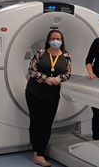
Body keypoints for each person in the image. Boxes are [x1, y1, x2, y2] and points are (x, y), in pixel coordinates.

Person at [25, 29, 71, 167]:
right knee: (35, 121)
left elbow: (68, 73)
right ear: (49, 40)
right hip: (34, 91)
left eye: (58, 39)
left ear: (62, 41)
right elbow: (31, 70)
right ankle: (36, 151)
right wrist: (45, 79)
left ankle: (40, 153)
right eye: (53, 39)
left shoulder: (66, 56)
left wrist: (59, 78)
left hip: (52, 94)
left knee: (46, 124)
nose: (56, 41)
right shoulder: (40, 53)